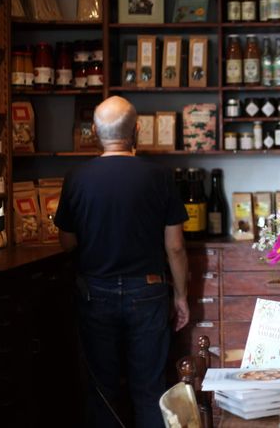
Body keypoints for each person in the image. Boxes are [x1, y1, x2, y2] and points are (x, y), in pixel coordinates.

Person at [55, 96, 190, 428]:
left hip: (94, 293)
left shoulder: (76, 177)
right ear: (137, 130)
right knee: (149, 391)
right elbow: (175, 247)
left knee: (103, 391)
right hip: (148, 292)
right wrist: (182, 296)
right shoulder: (159, 176)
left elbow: (67, 242)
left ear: (95, 132)